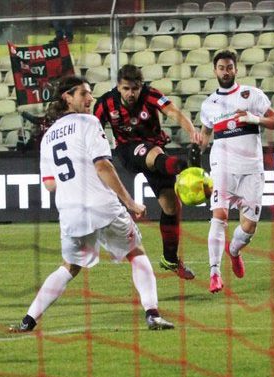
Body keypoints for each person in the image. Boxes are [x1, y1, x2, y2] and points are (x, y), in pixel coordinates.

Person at [11, 75, 174, 332]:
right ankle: (152, 314)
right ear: (67, 97)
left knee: (70, 266)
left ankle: (27, 320)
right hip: (102, 206)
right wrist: (130, 202)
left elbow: (50, 184)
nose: (90, 98)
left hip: (70, 211)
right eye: (84, 94)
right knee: (136, 252)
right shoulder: (88, 122)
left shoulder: (48, 137)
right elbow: (102, 165)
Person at [93, 64, 202, 281]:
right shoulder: (105, 102)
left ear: (141, 86)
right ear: (118, 86)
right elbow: (92, 126)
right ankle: (184, 167)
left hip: (155, 150)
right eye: (126, 89)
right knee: (154, 154)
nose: (130, 94)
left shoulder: (151, 95)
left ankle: (170, 259)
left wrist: (191, 130)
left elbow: (172, 111)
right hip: (128, 151)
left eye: (134, 88)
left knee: (171, 206)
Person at [198, 50, 274, 294]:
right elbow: (205, 133)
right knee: (219, 215)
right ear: (215, 71)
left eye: (229, 67)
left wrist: (253, 118)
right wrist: (198, 147)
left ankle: (233, 251)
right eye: (221, 68)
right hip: (222, 165)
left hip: (251, 168)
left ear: (236, 69)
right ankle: (214, 272)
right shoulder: (208, 104)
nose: (226, 72)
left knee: (249, 227)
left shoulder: (252, 95)